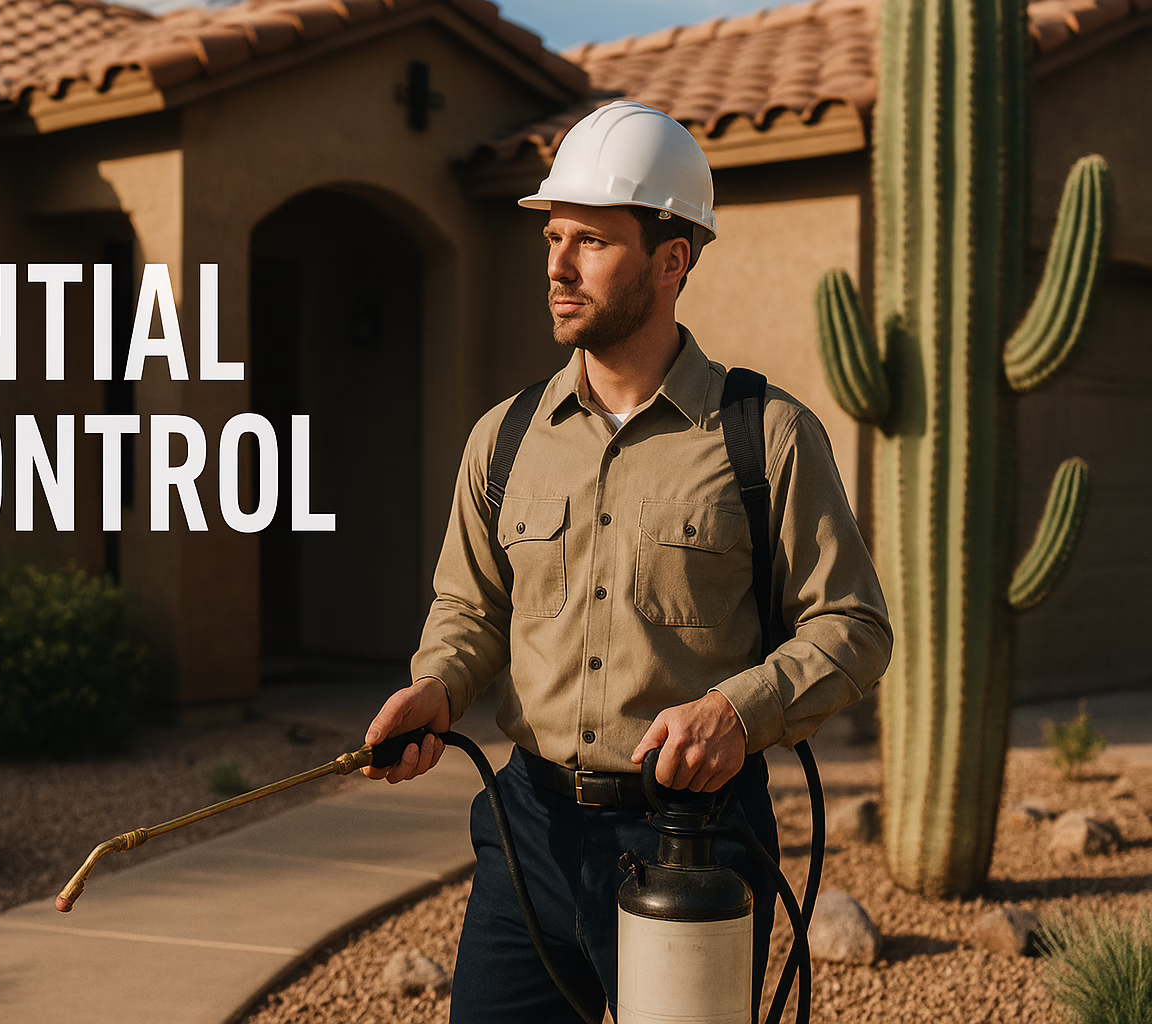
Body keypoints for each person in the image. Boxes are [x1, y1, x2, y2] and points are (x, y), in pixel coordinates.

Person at [360, 100, 893, 1023]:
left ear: (671, 259)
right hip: (526, 833)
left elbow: (854, 628)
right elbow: (473, 610)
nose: (560, 267)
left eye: (593, 243)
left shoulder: (766, 438)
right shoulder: (506, 437)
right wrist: (437, 688)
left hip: (696, 836)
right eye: (554, 238)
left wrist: (739, 708)